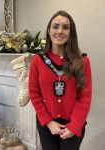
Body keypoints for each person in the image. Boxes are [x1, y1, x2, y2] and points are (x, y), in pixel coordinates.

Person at [29, 10, 92, 150]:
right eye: (55, 26)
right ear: (49, 30)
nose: (60, 31)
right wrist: (49, 122)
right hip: (46, 124)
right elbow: (34, 93)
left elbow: (85, 97)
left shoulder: (82, 61)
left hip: (73, 125)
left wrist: (74, 126)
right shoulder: (38, 61)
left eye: (65, 27)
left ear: (71, 32)